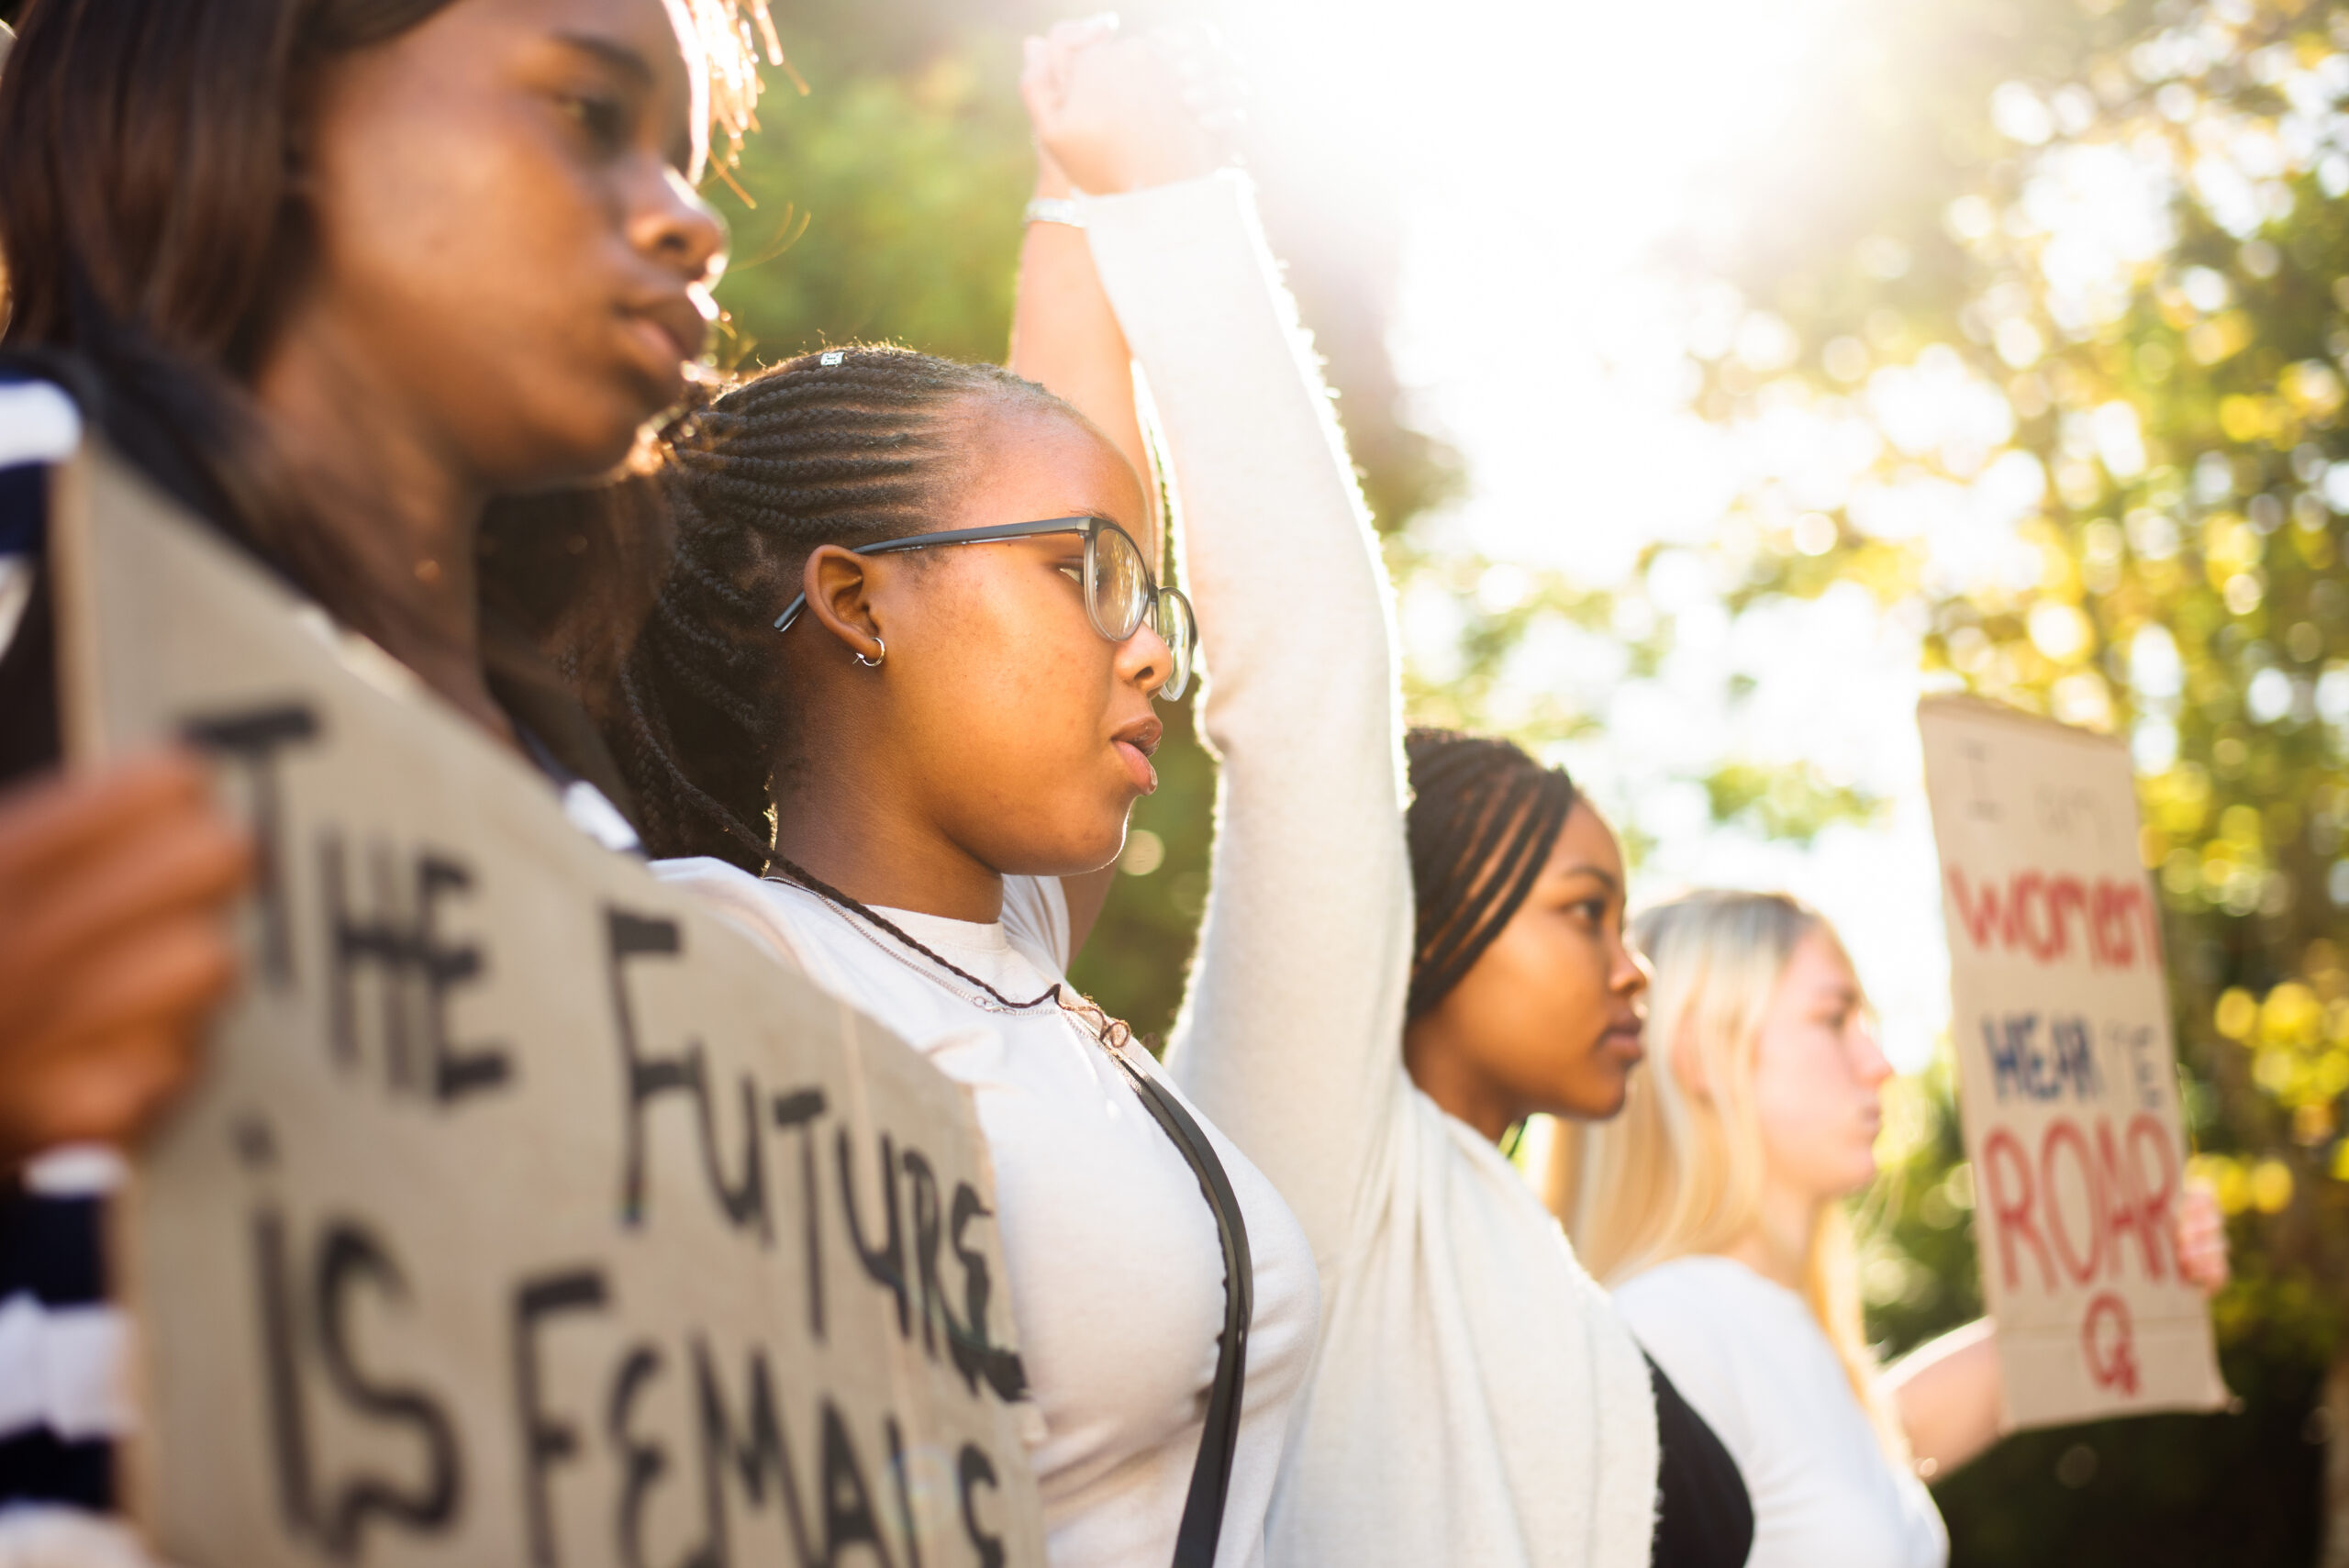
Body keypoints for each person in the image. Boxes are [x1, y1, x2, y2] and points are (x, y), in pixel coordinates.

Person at [592, 26, 1332, 1567]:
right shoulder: (716, 963)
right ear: (859, 603)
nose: (1153, 655)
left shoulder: (1011, 957)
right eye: (1089, 584)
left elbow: (1067, 443)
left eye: (1148, 596)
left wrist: (1077, 187)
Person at [0, 0, 753, 1516]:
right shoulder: (34, 493)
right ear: (277, 99)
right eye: (591, 116)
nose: (692, 223)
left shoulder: (572, 804)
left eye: (686, 159)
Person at [1548, 889, 2232, 1568]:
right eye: (1832, 1018)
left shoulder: (1752, 1327)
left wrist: (2136, 1268)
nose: (1880, 1064)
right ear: (1700, 1052)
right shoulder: (1674, 1330)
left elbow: (1879, 1442)